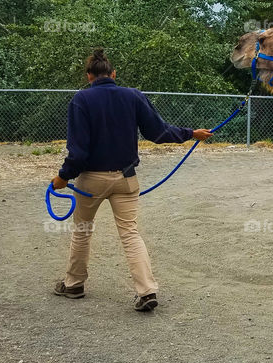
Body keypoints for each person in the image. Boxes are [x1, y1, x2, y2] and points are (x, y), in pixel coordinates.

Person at [50, 49, 214, 311]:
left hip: (90, 181)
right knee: (130, 233)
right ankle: (147, 291)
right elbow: (158, 132)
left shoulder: (81, 100)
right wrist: (191, 133)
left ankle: (74, 284)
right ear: (114, 74)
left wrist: (62, 177)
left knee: (82, 231)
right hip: (126, 179)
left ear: (88, 76)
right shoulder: (133, 96)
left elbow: (78, 153)